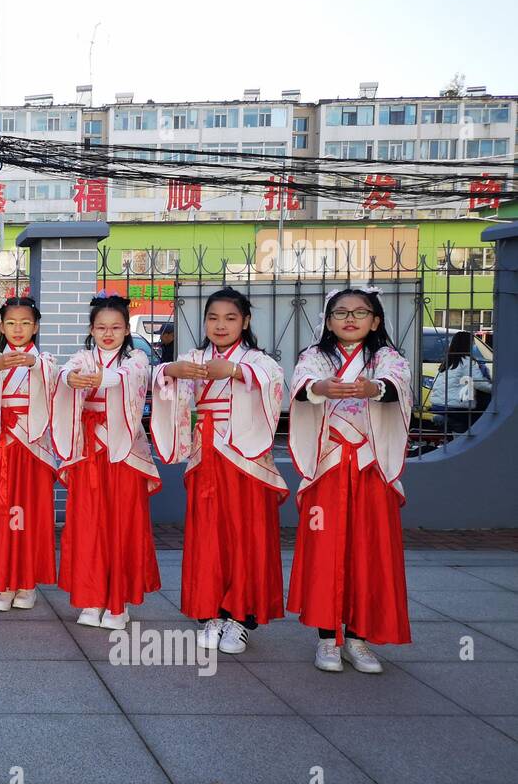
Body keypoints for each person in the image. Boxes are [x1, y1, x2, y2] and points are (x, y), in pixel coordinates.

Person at [151, 288, 287, 653]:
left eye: (230, 318)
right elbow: (165, 387)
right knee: (207, 534)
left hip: (246, 458)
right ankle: (210, 613)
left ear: (245, 321)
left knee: (246, 535)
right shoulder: (194, 358)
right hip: (207, 453)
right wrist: (169, 371)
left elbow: (274, 384)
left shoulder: (259, 362)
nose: (221, 325)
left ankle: (239, 618)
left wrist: (237, 371)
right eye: (213, 318)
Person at [287, 287, 412, 674]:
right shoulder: (316, 357)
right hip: (329, 465)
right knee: (325, 550)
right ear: (327, 321)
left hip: (371, 466)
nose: (350, 319)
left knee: (369, 550)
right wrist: (318, 388)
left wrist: (375, 388)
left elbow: (397, 385)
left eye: (361, 312)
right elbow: (302, 385)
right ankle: (327, 638)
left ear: (375, 320)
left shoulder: (386, 358)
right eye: (340, 312)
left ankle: (358, 637)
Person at [51, 294, 161, 630]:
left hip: (123, 451)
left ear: (128, 329)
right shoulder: (83, 358)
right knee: (87, 522)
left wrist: (99, 379)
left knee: (122, 523)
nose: (108, 333)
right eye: (101, 327)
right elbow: (64, 373)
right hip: (89, 451)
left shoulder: (137, 359)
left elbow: (127, 378)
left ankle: (118, 603)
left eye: (116, 327)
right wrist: (69, 379)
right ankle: (91, 597)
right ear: (91, 330)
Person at [0, 295, 58, 611]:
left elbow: (54, 382)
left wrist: (34, 364)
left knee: (29, 516)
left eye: (25, 323)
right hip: (2, 447)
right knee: (1, 515)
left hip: (31, 450)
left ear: (35, 327)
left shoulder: (45, 362)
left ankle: (27, 583)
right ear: (0, 326)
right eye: (10, 323)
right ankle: (3, 583)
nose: (17, 329)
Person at [428, 330, 491, 435]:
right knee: (479, 421)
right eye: (472, 343)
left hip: (438, 406)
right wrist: (495, 388)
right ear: (467, 345)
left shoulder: (446, 363)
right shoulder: (466, 361)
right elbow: (479, 383)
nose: (473, 346)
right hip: (455, 409)